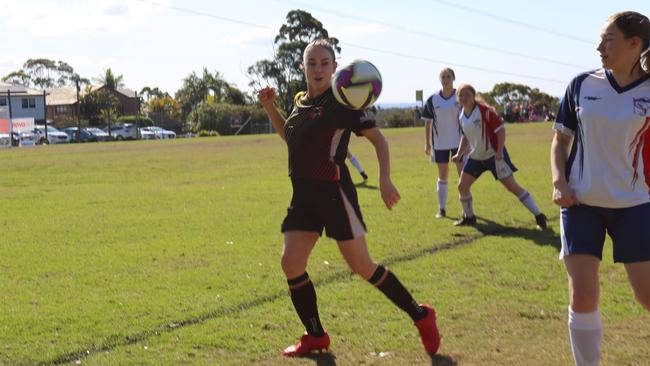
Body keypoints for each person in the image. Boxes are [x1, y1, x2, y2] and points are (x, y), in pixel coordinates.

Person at [257, 39, 440, 357]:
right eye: (311, 62)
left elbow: (379, 141)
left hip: (333, 193)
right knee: (291, 263)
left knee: (362, 266)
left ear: (334, 67)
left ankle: (421, 315)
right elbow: (290, 137)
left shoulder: (344, 103)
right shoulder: (301, 102)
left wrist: (384, 179)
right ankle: (315, 336)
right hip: (303, 195)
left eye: (324, 63)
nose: (317, 69)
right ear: (302, 67)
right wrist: (270, 108)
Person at [551, 11, 650, 366]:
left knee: (646, 295)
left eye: (608, 39)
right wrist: (559, 181)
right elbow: (560, 141)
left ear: (634, 44)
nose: (599, 47)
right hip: (580, 203)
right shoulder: (581, 84)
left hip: (635, 204)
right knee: (583, 293)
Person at [451, 83, 547, 229]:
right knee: (462, 186)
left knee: (512, 187)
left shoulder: (484, 111)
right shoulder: (461, 115)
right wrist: (459, 153)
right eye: (461, 95)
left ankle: (539, 215)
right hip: (476, 157)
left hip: (494, 156)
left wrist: (500, 151)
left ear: (473, 95)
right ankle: (469, 217)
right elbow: (465, 135)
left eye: (467, 94)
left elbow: (500, 130)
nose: (464, 97)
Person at [422, 68, 463, 218]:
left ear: (453, 78)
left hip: (459, 143)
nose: (446, 79)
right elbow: (428, 123)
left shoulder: (460, 97)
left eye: (448, 76)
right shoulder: (433, 99)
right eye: (443, 77)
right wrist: (427, 143)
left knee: (462, 176)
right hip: (439, 144)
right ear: (440, 79)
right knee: (443, 175)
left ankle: (465, 210)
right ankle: (442, 209)